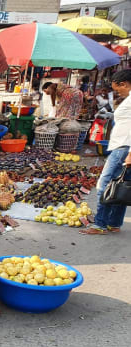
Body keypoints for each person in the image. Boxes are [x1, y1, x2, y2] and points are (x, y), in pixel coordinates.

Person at [81, 70, 131, 235]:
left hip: (124, 148)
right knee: (121, 185)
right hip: (123, 147)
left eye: (118, 89)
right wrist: (110, 115)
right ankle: (114, 223)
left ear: (124, 84)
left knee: (105, 184)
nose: (117, 92)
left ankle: (100, 224)